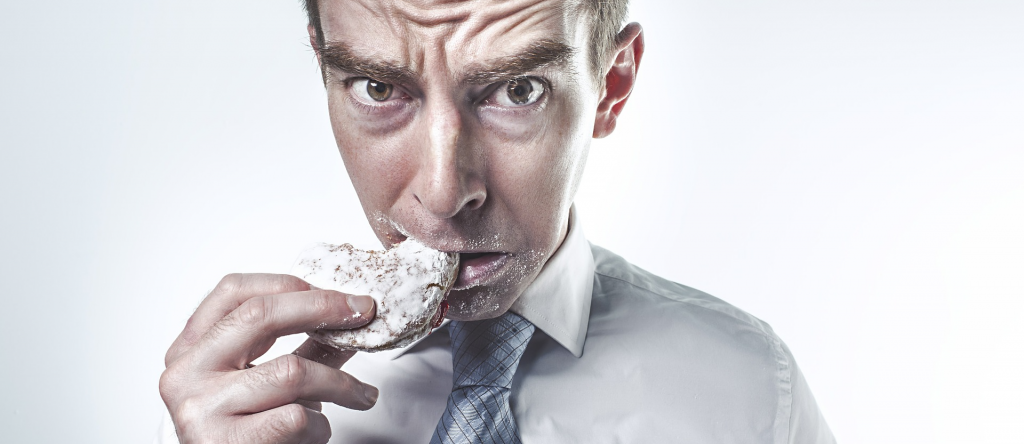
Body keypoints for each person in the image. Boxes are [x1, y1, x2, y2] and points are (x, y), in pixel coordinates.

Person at [157, 0, 835, 442]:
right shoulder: (242, 398)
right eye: (378, 88)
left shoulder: (749, 390)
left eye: (518, 90)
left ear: (612, 85)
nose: (444, 191)